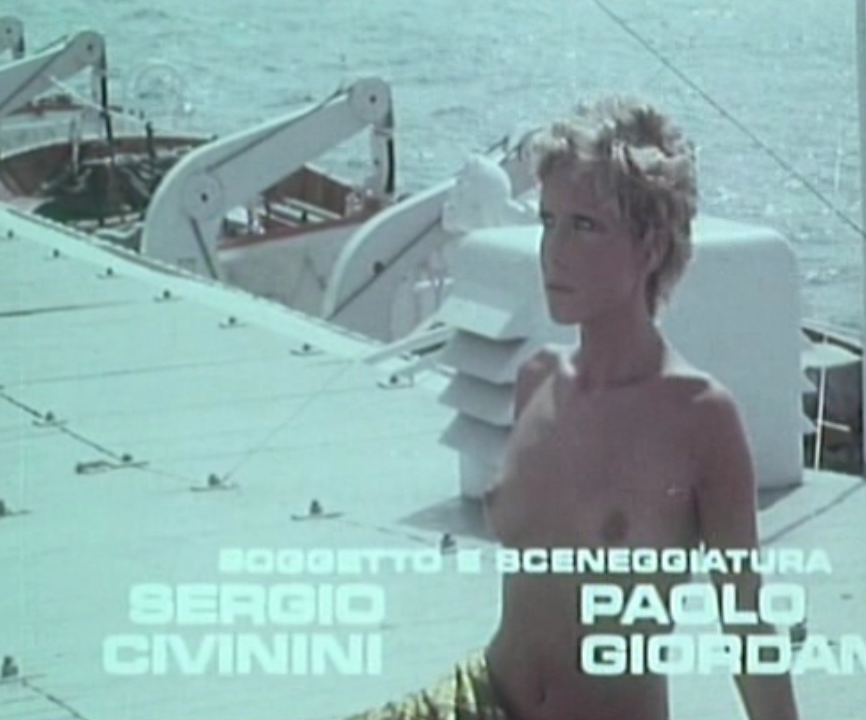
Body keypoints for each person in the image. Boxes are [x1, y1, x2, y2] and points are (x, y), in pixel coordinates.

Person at [342, 98, 799, 720]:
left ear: (650, 245)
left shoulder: (699, 417)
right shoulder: (538, 380)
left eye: (584, 226)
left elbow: (746, 625)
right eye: (548, 221)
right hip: (480, 700)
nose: (553, 251)